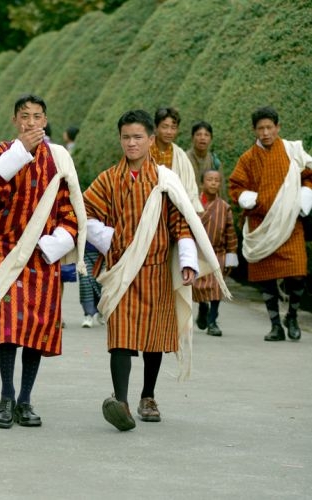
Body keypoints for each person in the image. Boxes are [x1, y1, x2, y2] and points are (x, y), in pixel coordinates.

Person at [83, 109, 227, 432]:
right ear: (119, 139)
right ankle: (120, 402)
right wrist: (109, 239)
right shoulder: (108, 179)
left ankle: (148, 396)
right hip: (122, 267)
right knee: (120, 334)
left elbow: (181, 223)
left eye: (137, 137)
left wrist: (188, 262)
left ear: (150, 140)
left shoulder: (165, 180)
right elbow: (86, 212)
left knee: (153, 336)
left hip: (157, 268)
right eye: (125, 137)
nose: (131, 143)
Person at [0, 94, 85, 429]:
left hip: (44, 256)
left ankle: (25, 399)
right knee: (8, 324)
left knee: (36, 328)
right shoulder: (2, 152)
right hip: (9, 252)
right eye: (24, 116)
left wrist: (58, 242)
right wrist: (19, 153)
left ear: (45, 120)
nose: (31, 122)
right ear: (15, 121)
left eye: (37, 116)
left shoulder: (59, 159)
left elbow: (72, 211)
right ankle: (6, 396)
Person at [229, 106, 312, 342]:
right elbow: (236, 186)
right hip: (261, 225)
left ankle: (293, 316)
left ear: (278, 128)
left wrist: (305, 195)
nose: (265, 133)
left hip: (289, 223)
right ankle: (275, 324)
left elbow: (309, 175)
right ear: (254, 131)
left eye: (269, 127)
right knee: (266, 279)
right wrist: (247, 198)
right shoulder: (247, 159)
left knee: (297, 273)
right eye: (260, 128)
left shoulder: (292, 151)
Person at [193, 169, 238, 336]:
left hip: (217, 252)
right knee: (197, 286)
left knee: (216, 286)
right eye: (209, 180)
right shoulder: (193, 204)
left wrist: (231, 254)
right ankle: (203, 307)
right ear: (202, 183)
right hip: (197, 252)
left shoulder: (224, 207)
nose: (213, 183)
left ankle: (213, 321)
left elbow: (230, 232)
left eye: (216, 180)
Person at [149, 107, 203, 212]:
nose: (169, 132)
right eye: (165, 127)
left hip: (174, 210)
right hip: (147, 206)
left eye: (173, 128)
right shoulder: (144, 151)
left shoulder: (180, 156)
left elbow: (190, 188)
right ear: (155, 128)